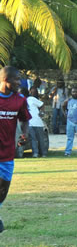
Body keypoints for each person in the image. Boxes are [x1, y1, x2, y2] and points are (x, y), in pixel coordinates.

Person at [0, 67, 31, 233]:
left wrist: (24, 135)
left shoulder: (19, 100)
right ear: (6, 80)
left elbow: (25, 120)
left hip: (7, 153)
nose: (19, 83)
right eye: (16, 79)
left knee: (3, 191)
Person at [24, 88, 47, 157]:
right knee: (33, 139)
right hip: (29, 123)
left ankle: (43, 153)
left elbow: (42, 104)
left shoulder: (31, 99)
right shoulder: (20, 101)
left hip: (37, 122)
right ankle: (35, 153)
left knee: (40, 139)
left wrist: (41, 112)